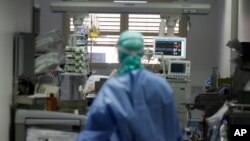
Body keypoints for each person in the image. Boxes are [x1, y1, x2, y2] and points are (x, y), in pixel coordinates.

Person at [77, 31, 183, 141]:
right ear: (142, 52)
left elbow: (94, 134)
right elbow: (173, 131)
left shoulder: (111, 90)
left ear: (119, 54)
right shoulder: (161, 86)